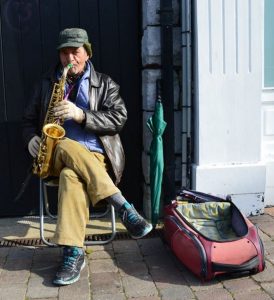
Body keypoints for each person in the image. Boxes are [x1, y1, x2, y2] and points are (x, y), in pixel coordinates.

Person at [22, 28, 152, 286]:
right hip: (54, 153)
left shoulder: (105, 83)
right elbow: (27, 121)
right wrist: (30, 139)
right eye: (65, 52)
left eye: (75, 51)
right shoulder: (46, 83)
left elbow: (119, 119)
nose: (70, 57)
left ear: (87, 52)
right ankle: (123, 206)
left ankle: (73, 252)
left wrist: (82, 115)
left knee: (72, 176)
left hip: (95, 156)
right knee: (65, 146)